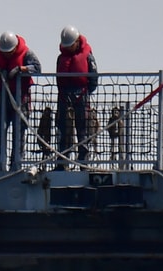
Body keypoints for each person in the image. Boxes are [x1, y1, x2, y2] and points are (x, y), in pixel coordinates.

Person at [0, 32, 42, 171]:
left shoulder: (27, 53)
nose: (7, 55)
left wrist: (22, 69)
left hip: (21, 99)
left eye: (9, 52)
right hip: (4, 98)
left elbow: (37, 68)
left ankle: (16, 164)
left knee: (19, 132)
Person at [55, 26, 98, 170]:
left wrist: (85, 93)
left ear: (77, 42)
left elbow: (93, 78)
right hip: (64, 95)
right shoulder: (61, 58)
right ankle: (62, 161)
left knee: (82, 129)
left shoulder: (88, 56)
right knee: (63, 128)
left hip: (81, 94)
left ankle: (83, 162)